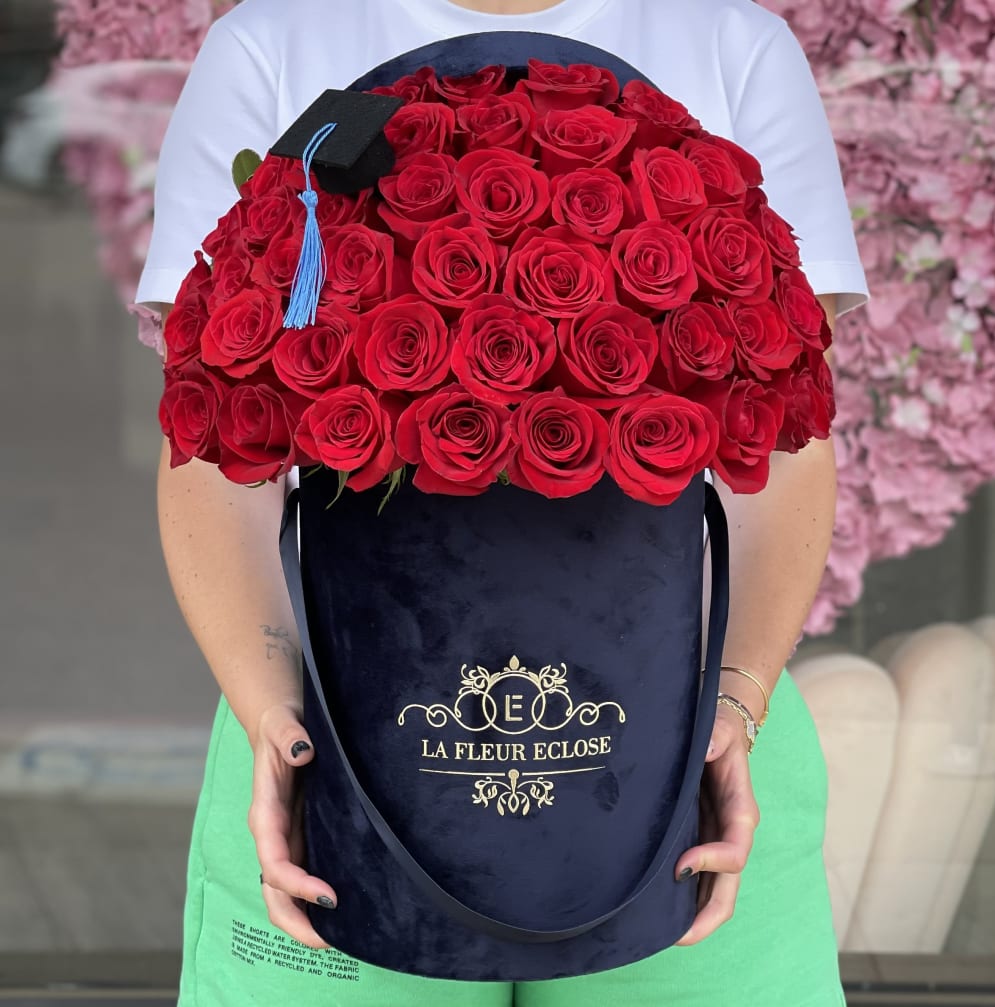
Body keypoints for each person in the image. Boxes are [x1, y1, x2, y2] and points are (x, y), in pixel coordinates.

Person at [136, 0, 869, 1003]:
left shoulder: (725, 38)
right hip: (337, 730)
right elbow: (220, 437)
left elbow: (783, 431)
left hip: (685, 731)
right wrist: (273, 716)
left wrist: (735, 699)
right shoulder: (273, 39)